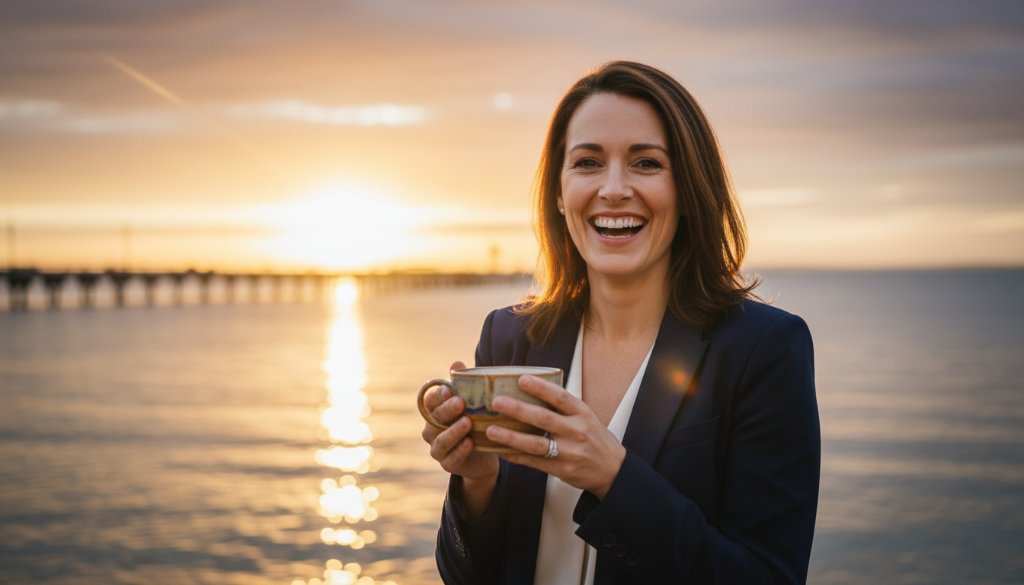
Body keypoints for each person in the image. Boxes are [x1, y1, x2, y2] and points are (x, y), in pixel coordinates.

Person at [420, 60, 820, 584]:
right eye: (587, 162)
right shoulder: (510, 335)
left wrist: (615, 476)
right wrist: (477, 484)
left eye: (646, 164)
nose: (613, 189)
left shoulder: (763, 349)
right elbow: (468, 576)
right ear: (559, 195)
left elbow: (769, 577)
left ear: (689, 188)